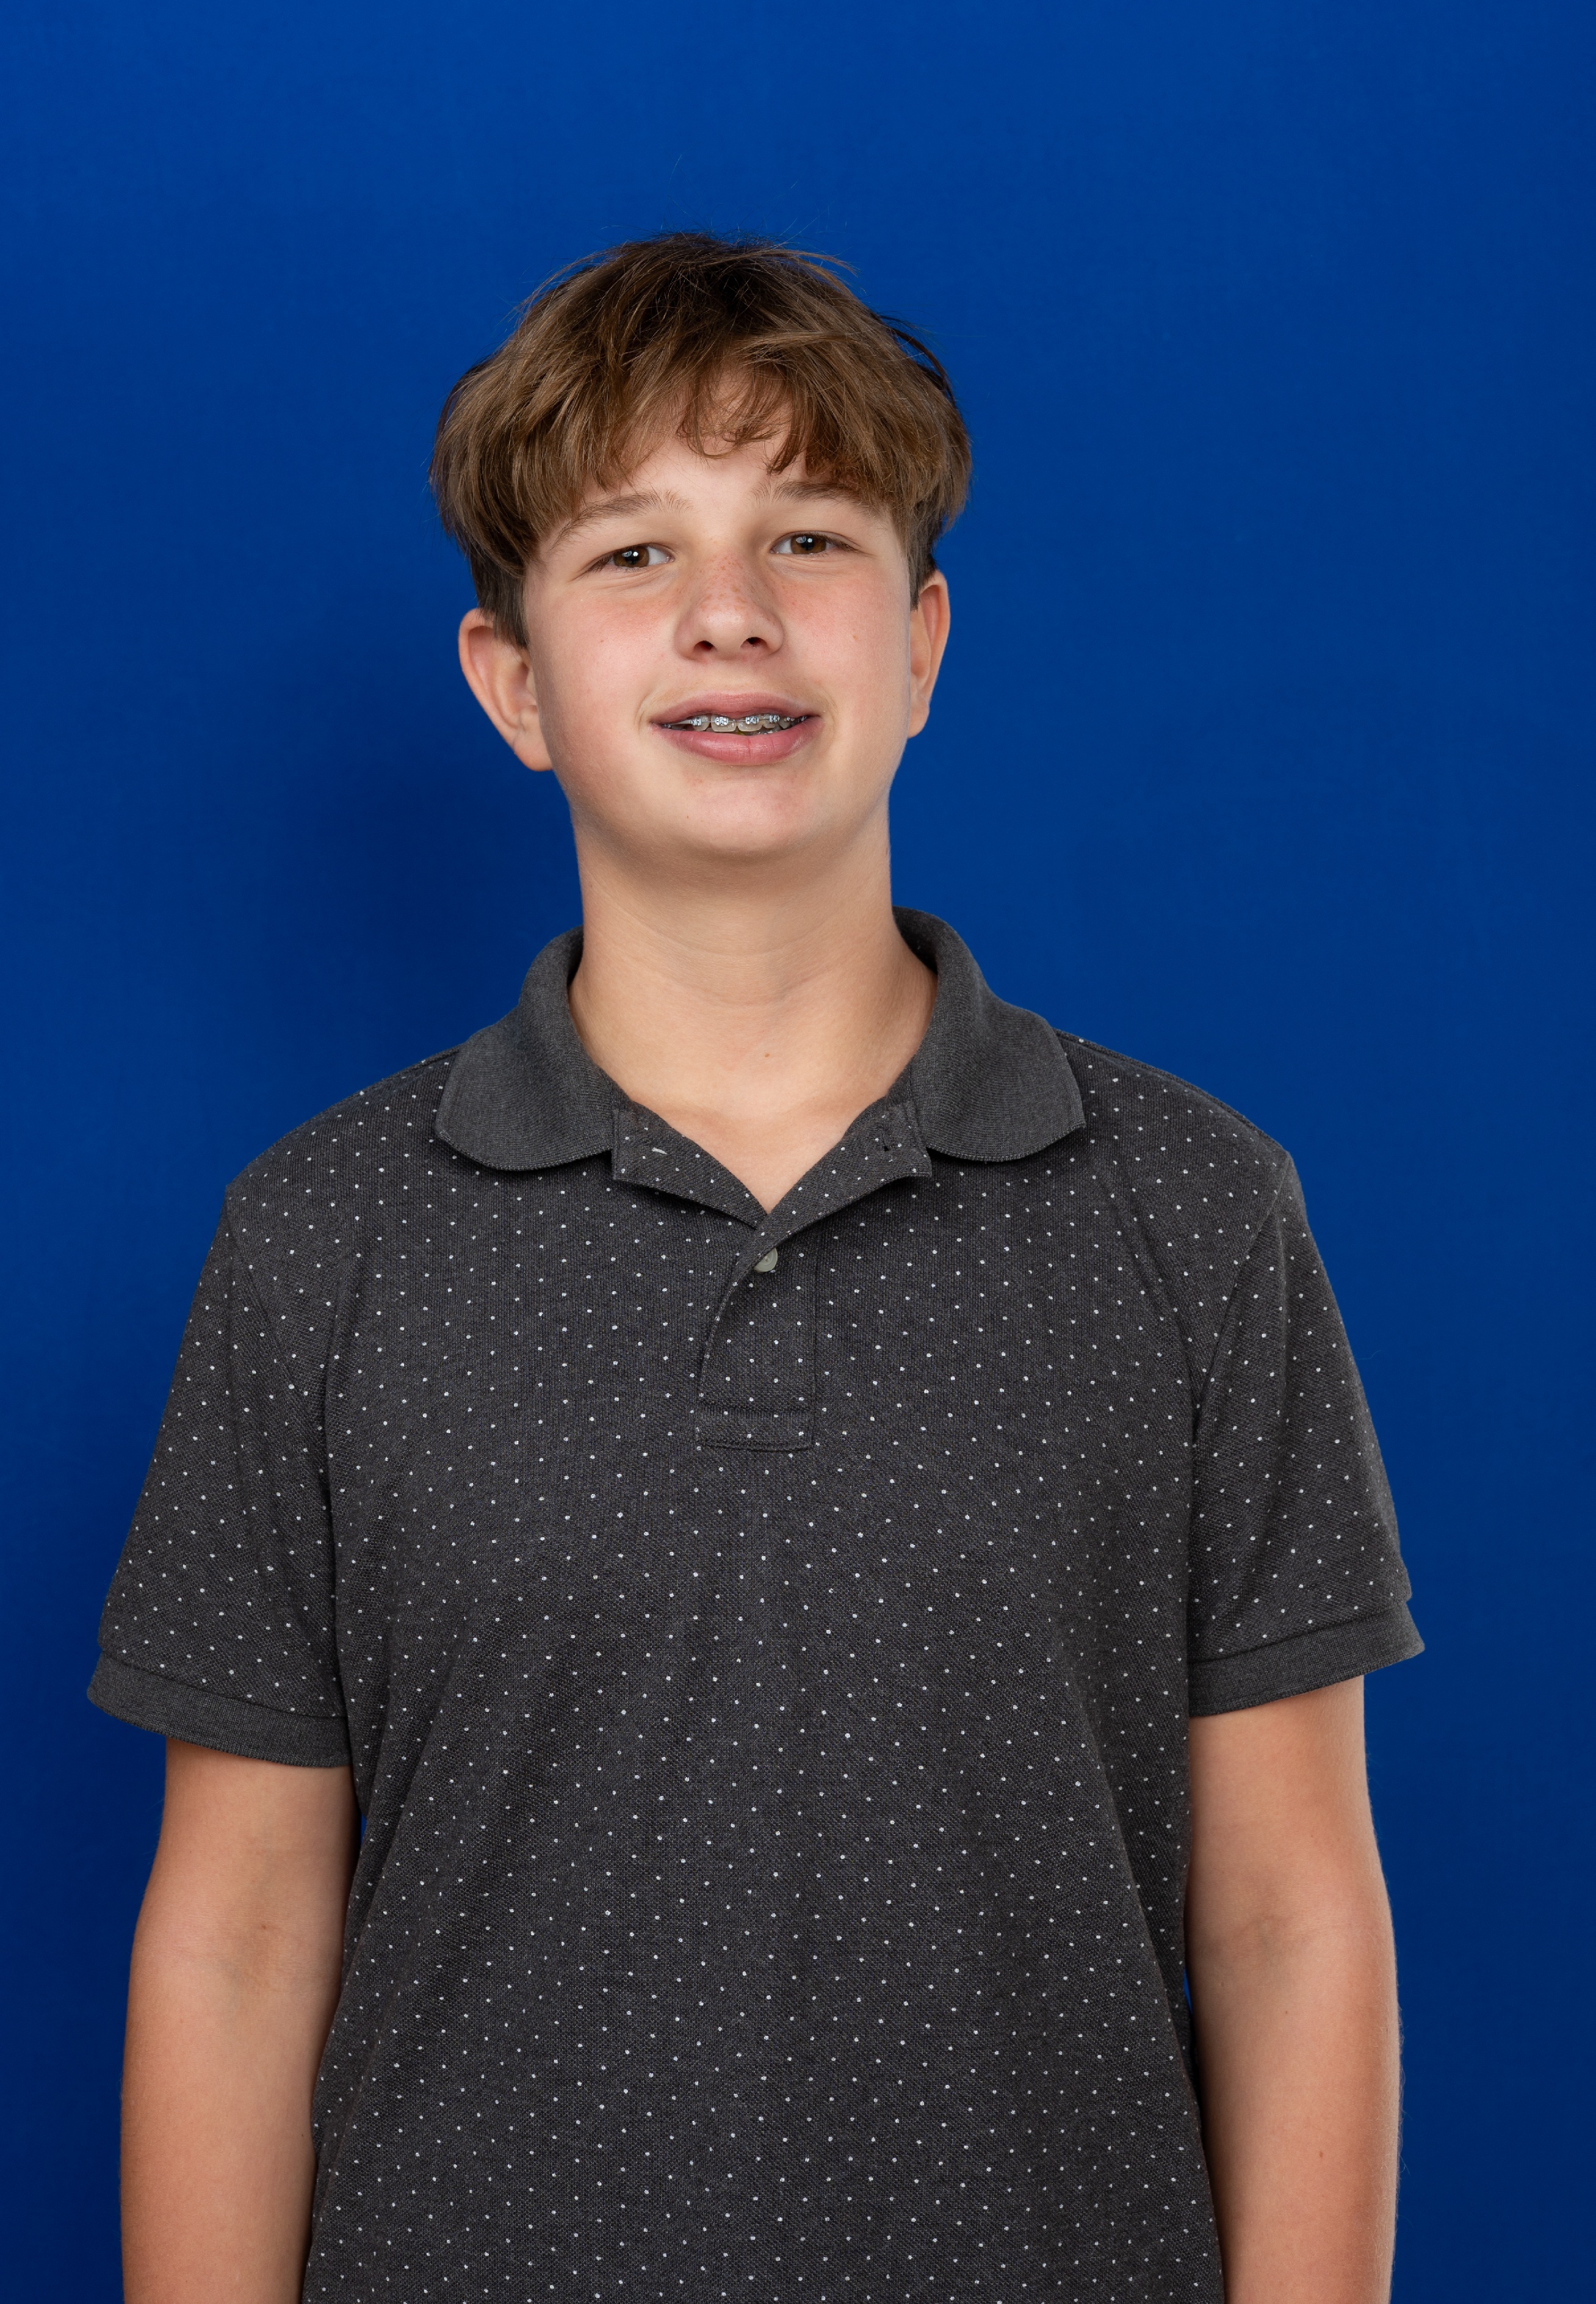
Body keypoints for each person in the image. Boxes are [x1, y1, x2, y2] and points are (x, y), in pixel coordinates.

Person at [92, 231, 1421, 2304]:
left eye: (809, 535)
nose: (731, 610)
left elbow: (1290, 1914)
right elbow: (242, 1935)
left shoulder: (1193, 1214)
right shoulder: (322, 1240)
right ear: (513, 684)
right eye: (635, 552)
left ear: (924, 640)